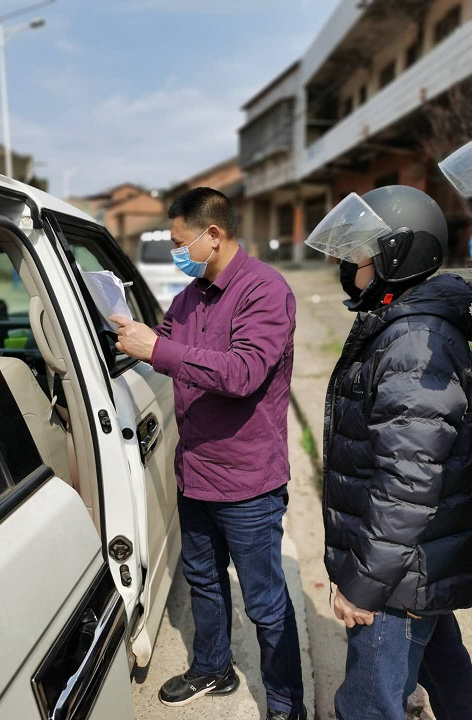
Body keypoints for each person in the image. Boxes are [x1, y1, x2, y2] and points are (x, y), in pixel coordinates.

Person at [110, 187, 306, 720]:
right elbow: (165, 343)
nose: (177, 251)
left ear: (211, 235)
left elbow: (243, 373)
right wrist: (133, 335)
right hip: (194, 471)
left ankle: (287, 703)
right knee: (203, 579)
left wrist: (160, 348)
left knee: (266, 603)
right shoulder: (190, 296)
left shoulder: (265, 291)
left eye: (180, 242)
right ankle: (212, 666)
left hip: (247, 483)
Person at [305, 185, 472, 720]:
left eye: (359, 256)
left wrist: (363, 588)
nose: (348, 267)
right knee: (446, 672)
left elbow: (407, 483)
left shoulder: (413, 341)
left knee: (367, 703)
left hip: (397, 573)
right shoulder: (401, 328)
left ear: (397, 257)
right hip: (417, 563)